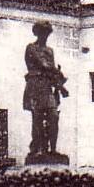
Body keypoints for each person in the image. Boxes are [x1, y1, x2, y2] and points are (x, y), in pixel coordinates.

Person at [23, 20, 68, 156]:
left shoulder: (50, 51)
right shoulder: (31, 48)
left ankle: (52, 149)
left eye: (47, 33)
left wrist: (60, 86)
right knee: (37, 118)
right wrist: (57, 72)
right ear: (37, 33)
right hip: (35, 86)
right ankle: (37, 149)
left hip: (47, 88)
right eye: (43, 32)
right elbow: (44, 65)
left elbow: (51, 71)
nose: (45, 36)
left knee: (53, 116)